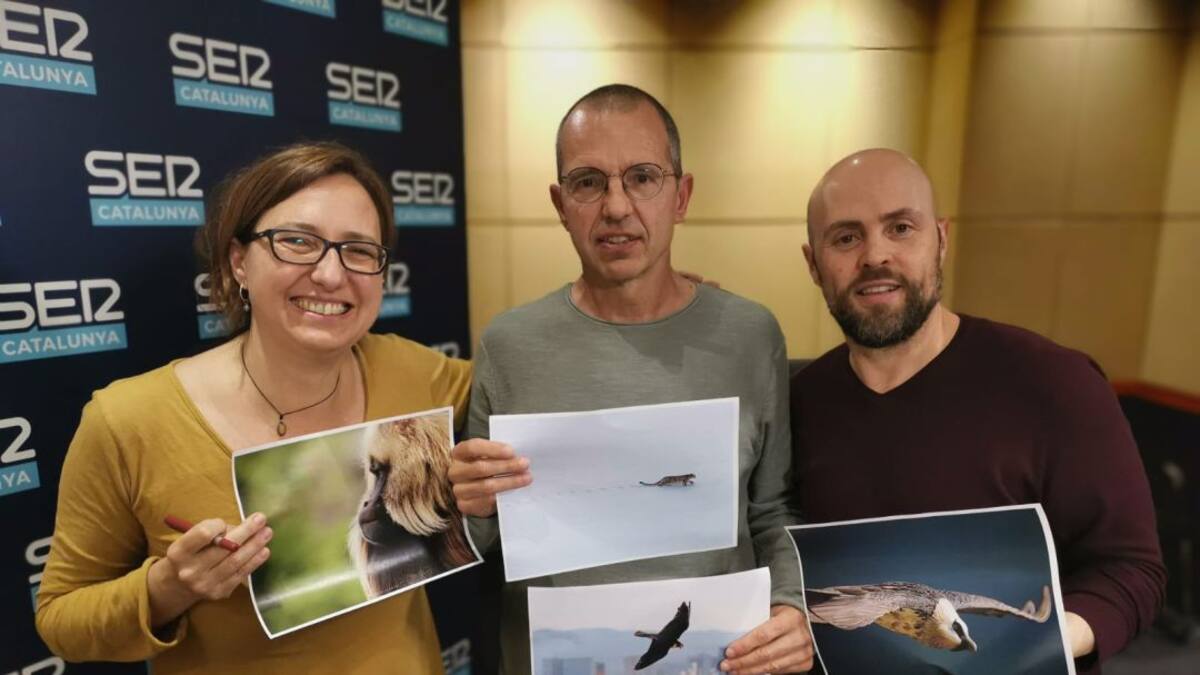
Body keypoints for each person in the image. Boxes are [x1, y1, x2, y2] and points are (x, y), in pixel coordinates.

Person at [35, 142, 472, 674]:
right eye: (297, 242)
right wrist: (167, 589)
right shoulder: (128, 420)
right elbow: (61, 619)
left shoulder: (421, 376)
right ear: (239, 261)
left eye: (359, 251)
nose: (331, 275)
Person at [447, 84, 814, 675]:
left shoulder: (751, 336)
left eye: (642, 177)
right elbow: (485, 544)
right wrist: (473, 509)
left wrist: (789, 608)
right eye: (588, 182)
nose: (616, 206)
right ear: (560, 202)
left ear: (681, 195)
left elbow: (771, 513)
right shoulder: (508, 346)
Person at [792, 148, 1166, 673]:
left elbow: (1130, 571)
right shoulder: (799, 402)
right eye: (846, 237)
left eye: (900, 228)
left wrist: (1029, 645)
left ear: (941, 239)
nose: (875, 255)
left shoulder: (1056, 384)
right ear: (813, 263)